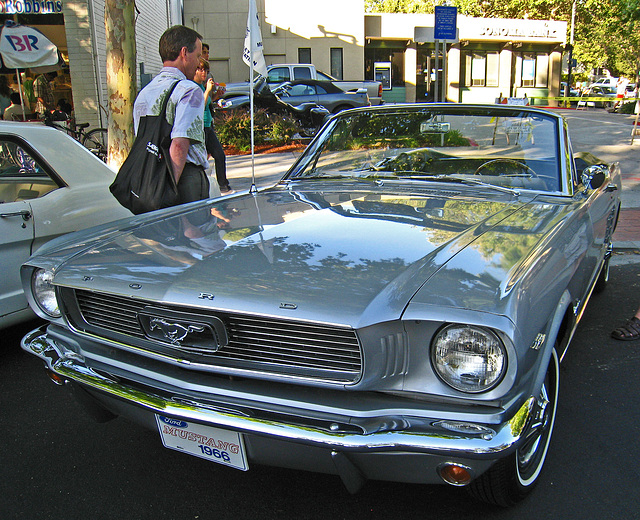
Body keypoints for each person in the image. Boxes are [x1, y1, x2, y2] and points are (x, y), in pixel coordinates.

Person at [132, 25, 209, 208]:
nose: (199, 63)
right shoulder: (188, 90)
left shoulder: (145, 92)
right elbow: (180, 143)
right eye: (198, 56)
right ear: (184, 53)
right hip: (183, 179)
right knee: (195, 235)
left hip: (150, 176)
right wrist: (169, 190)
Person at [193, 57, 233, 195]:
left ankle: (223, 185)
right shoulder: (193, 87)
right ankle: (203, 187)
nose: (204, 73)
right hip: (200, 127)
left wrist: (216, 95)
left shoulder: (201, 87)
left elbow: (209, 102)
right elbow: (199, 106)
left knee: (219, 155)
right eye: (201, 69)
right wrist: (207, 90)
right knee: (202, 159)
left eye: (206, 70)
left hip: (208, 125)